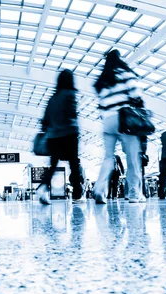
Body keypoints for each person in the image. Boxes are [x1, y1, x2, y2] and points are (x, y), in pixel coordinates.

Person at [93, 50, 145, 204]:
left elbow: (101, 105)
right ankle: (134, 192)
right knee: (133, 156)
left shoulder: (102, 80)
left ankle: (100, 188)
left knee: (108, 157)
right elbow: (136, 95)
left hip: (107, 121)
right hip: (124, 119)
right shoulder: (124, 73)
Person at [36, 69, 85, 205]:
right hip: (69, 134)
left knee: (53, 165)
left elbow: (44, 121)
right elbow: (71, 115)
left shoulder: (52, 98)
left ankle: (43, 187)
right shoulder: (70, 94)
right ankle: (76, 194)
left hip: (53, 137)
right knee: (74, 164)